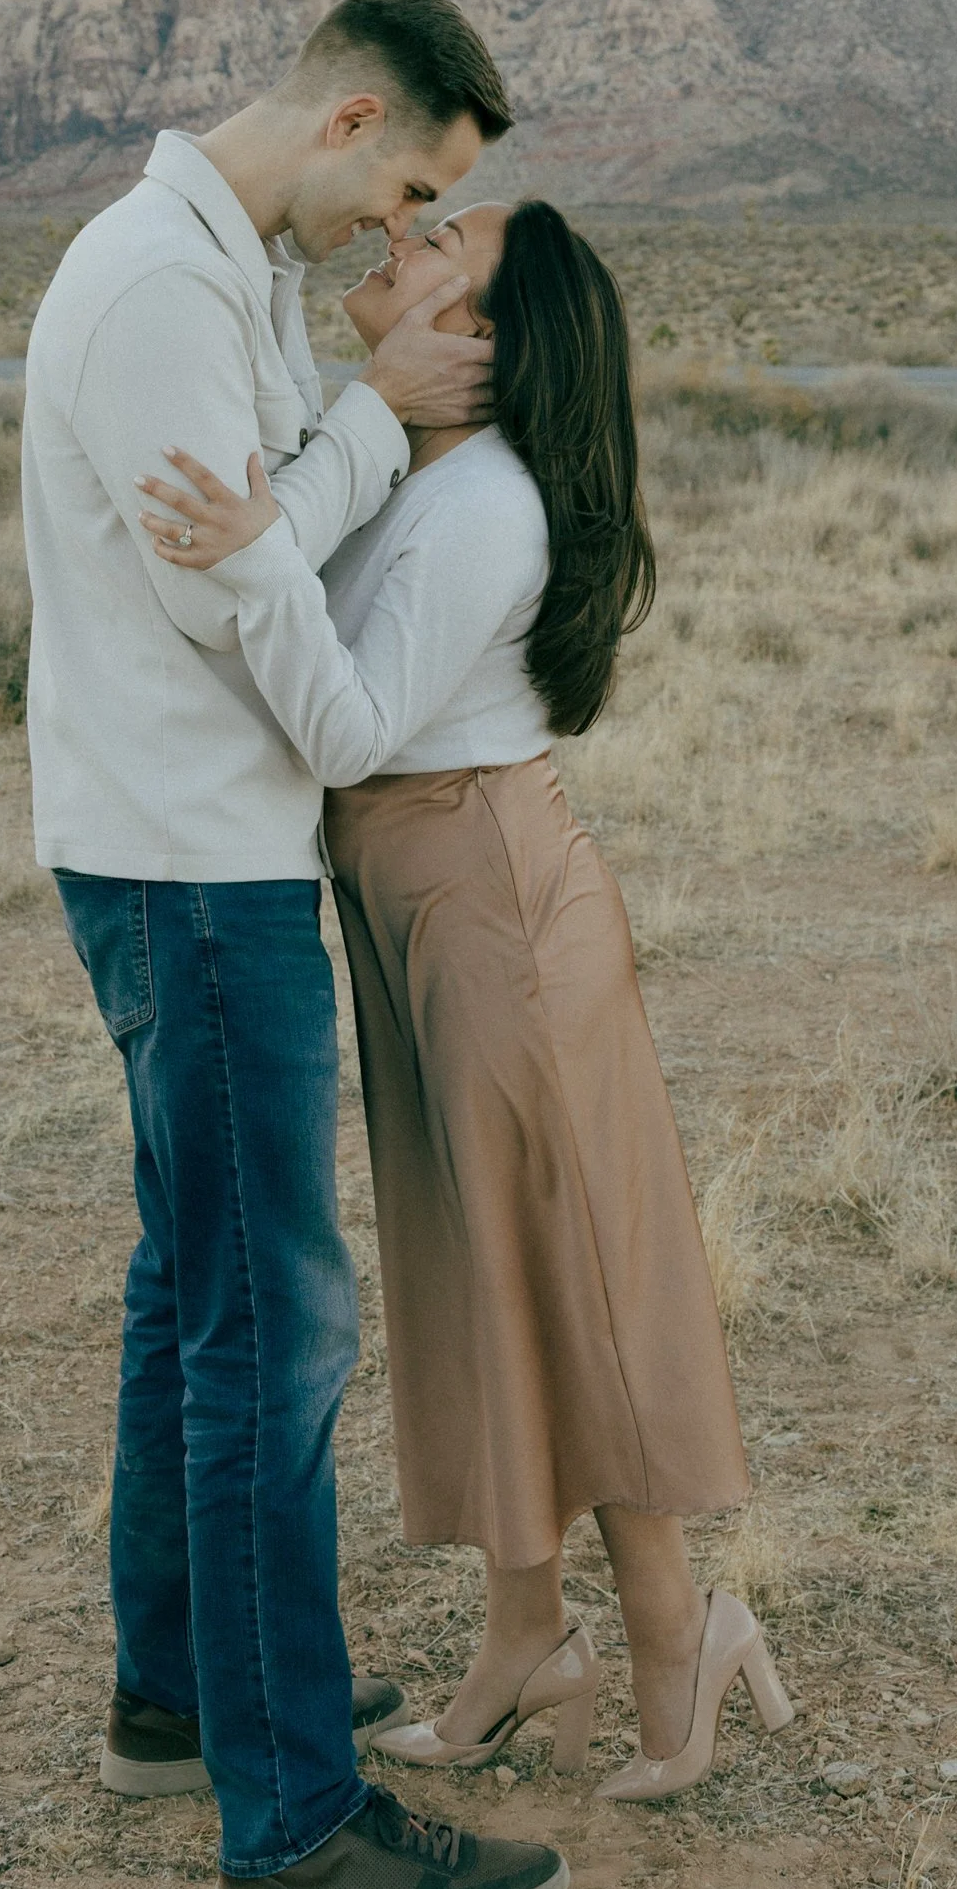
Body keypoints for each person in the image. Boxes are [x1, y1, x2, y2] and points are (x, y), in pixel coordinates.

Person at [23, 0, 572, 1889]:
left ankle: (179, 1695)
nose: (396, 232)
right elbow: (221, 590)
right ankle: (293, 1826)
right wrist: (373, 427)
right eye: (411, 186)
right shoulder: (167, 295)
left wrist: (321, 460)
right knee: (272, 1330)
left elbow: (270, 539)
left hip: (177, 845)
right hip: (193, 858)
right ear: (350, 119)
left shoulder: (224, 270)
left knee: (195, 1290)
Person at [139, 197, 792, 1801]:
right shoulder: (420, 473)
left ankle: (675, 1625)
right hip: (422, 897)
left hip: (488, 889)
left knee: (569, 1265)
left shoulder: (485, 503)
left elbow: (352, 728)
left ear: (485, 337)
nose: (404, 235)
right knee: (479, 1263)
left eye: (443, 243)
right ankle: (525, 1636)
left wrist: (252, 563)